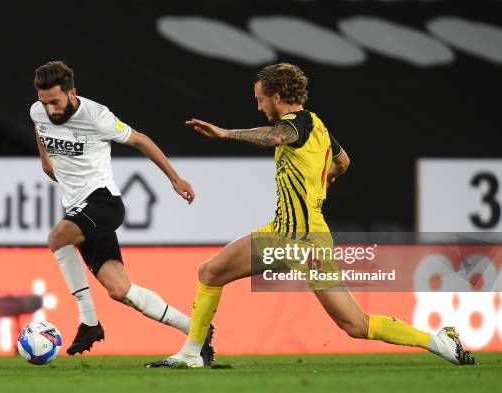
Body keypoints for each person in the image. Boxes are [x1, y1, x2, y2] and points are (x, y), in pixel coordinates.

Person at [147, 63, 475, 368]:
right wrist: (324, 177)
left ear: (277, 96)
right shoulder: (319, 125)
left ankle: (192, 353)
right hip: (301, 235)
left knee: (211, 273)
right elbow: (344, 161)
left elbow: (278, 136)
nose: (259, 106)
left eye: (261, 99)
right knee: (353, 323)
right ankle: (439, 342)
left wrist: (227, 133)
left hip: (294, 237)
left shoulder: (297, 124)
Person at [30, 61, 214, 361]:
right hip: (77, 208)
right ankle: (197, 331)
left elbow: (141, 140)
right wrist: (46, 162)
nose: (50, 109)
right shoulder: (38, 112)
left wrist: (175, 178)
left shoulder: (97, 117)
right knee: (120, 290)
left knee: (57, 237)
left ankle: (88, 321)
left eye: (55, 102)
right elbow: (40, 127)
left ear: (72, 92)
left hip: (104, 203)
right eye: (44, 102)